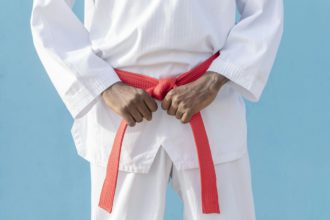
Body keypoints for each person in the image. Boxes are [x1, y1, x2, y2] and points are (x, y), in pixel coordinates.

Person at [30, 0, 284, 219]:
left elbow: (265, 11)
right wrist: (105, 86)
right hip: (124, 110)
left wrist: (215, 79)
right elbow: (47, 14)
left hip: (209, 104)